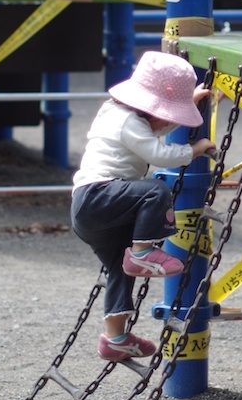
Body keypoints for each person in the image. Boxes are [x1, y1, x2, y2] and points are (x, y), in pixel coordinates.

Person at [71, 51, 216, 363]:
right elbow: (158, 153)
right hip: (100, 195)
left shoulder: (118, 113)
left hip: (88, 208)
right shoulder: (129, 122)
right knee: (155, 190)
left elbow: (154, 129)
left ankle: (115, 338)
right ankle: (142, 253)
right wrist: (195, 150)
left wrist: (188, 102)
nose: (169, 121)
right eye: (169, 113)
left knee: (119, 270)